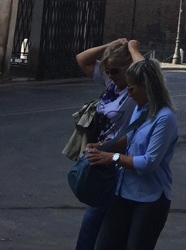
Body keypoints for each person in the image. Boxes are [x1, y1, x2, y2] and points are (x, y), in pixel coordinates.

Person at [88, 59, 179, 250]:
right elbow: (130, 137)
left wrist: (113, 157)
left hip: (150, 199)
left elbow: (148, 162)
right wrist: (104, 147)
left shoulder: (165, 118)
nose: (129, 93)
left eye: (132, 88)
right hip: (124, 191)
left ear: (147, 86)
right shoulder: (140, 108)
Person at [73, 38, 144, 250]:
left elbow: (146, 71)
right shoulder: (111, 83)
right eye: (107, 70)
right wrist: (110, 46)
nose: (110, 75)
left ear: (129, 68)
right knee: (104, 223)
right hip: (101, 159)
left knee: (94, 221)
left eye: (114, 71)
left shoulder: (134, 91)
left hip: (118, 162)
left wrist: (132, 48)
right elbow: (82, 59)